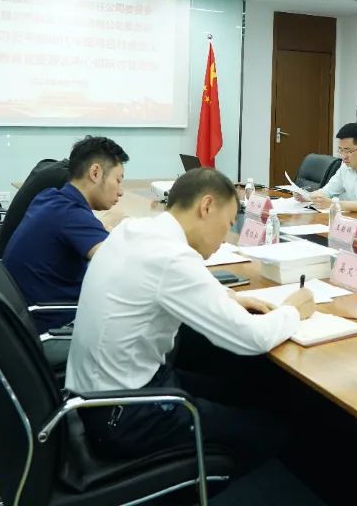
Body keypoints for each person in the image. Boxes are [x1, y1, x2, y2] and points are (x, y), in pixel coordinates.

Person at [65, 167, 316, 471]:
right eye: (227, 224)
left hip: (98, 396)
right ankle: (197, 480)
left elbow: (162, 284)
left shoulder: (135, 231)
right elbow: (252, 339)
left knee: (242, 393)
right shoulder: (172, 257)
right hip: (126, 415)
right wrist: (293, 309)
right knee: (273, 431)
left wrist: (230, 297)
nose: (224, 238)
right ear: (206, 206)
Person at [2, 136, 128, 331]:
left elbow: (78, 230)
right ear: (95, 172)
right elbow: (121, 265)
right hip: (54, 327)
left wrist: (104, 227)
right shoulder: (73, 215)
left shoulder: (49, 197)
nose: (120, 192)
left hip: (24, 315)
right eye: (118, 180)